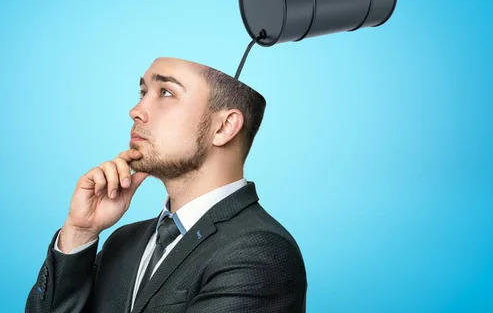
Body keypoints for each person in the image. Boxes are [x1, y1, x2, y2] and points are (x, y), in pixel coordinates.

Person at [25, 57, 307, 312]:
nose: (135, 111)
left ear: (223, 127)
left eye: (166, 92)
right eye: (143, 92)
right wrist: (79, 234)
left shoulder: (260, 252)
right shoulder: (122, 242)